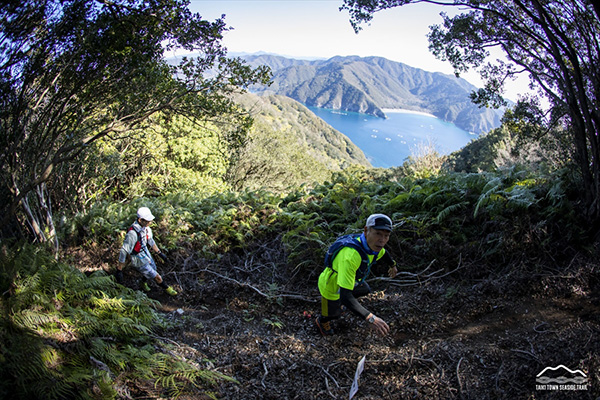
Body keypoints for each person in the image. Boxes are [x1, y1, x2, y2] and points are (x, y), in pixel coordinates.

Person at [316, 213, 397, 337]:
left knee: (365, 289)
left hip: (349, 280)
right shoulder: (350, 256)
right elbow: (345, 295)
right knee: (333, 314)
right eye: (378, 234)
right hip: (331, 286)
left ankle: (341, 305)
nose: (382, 240)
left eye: (386, 236)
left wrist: (392, 265)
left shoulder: (372, 247)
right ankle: (322, 321)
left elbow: (384, 253)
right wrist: (370, 318)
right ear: (366, 230)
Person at [115, 207, 178, 296]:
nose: (150, 223)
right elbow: (124, 251)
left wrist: (160, 253)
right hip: (138, 258)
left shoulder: (146, 228)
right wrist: (119, 269)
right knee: (157, 277)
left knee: (153, 268)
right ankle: (167, 289)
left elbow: (150, 241)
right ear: (140, 220)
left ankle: (142, 283)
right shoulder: (132, 234)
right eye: (148, 221)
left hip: (146, 254)